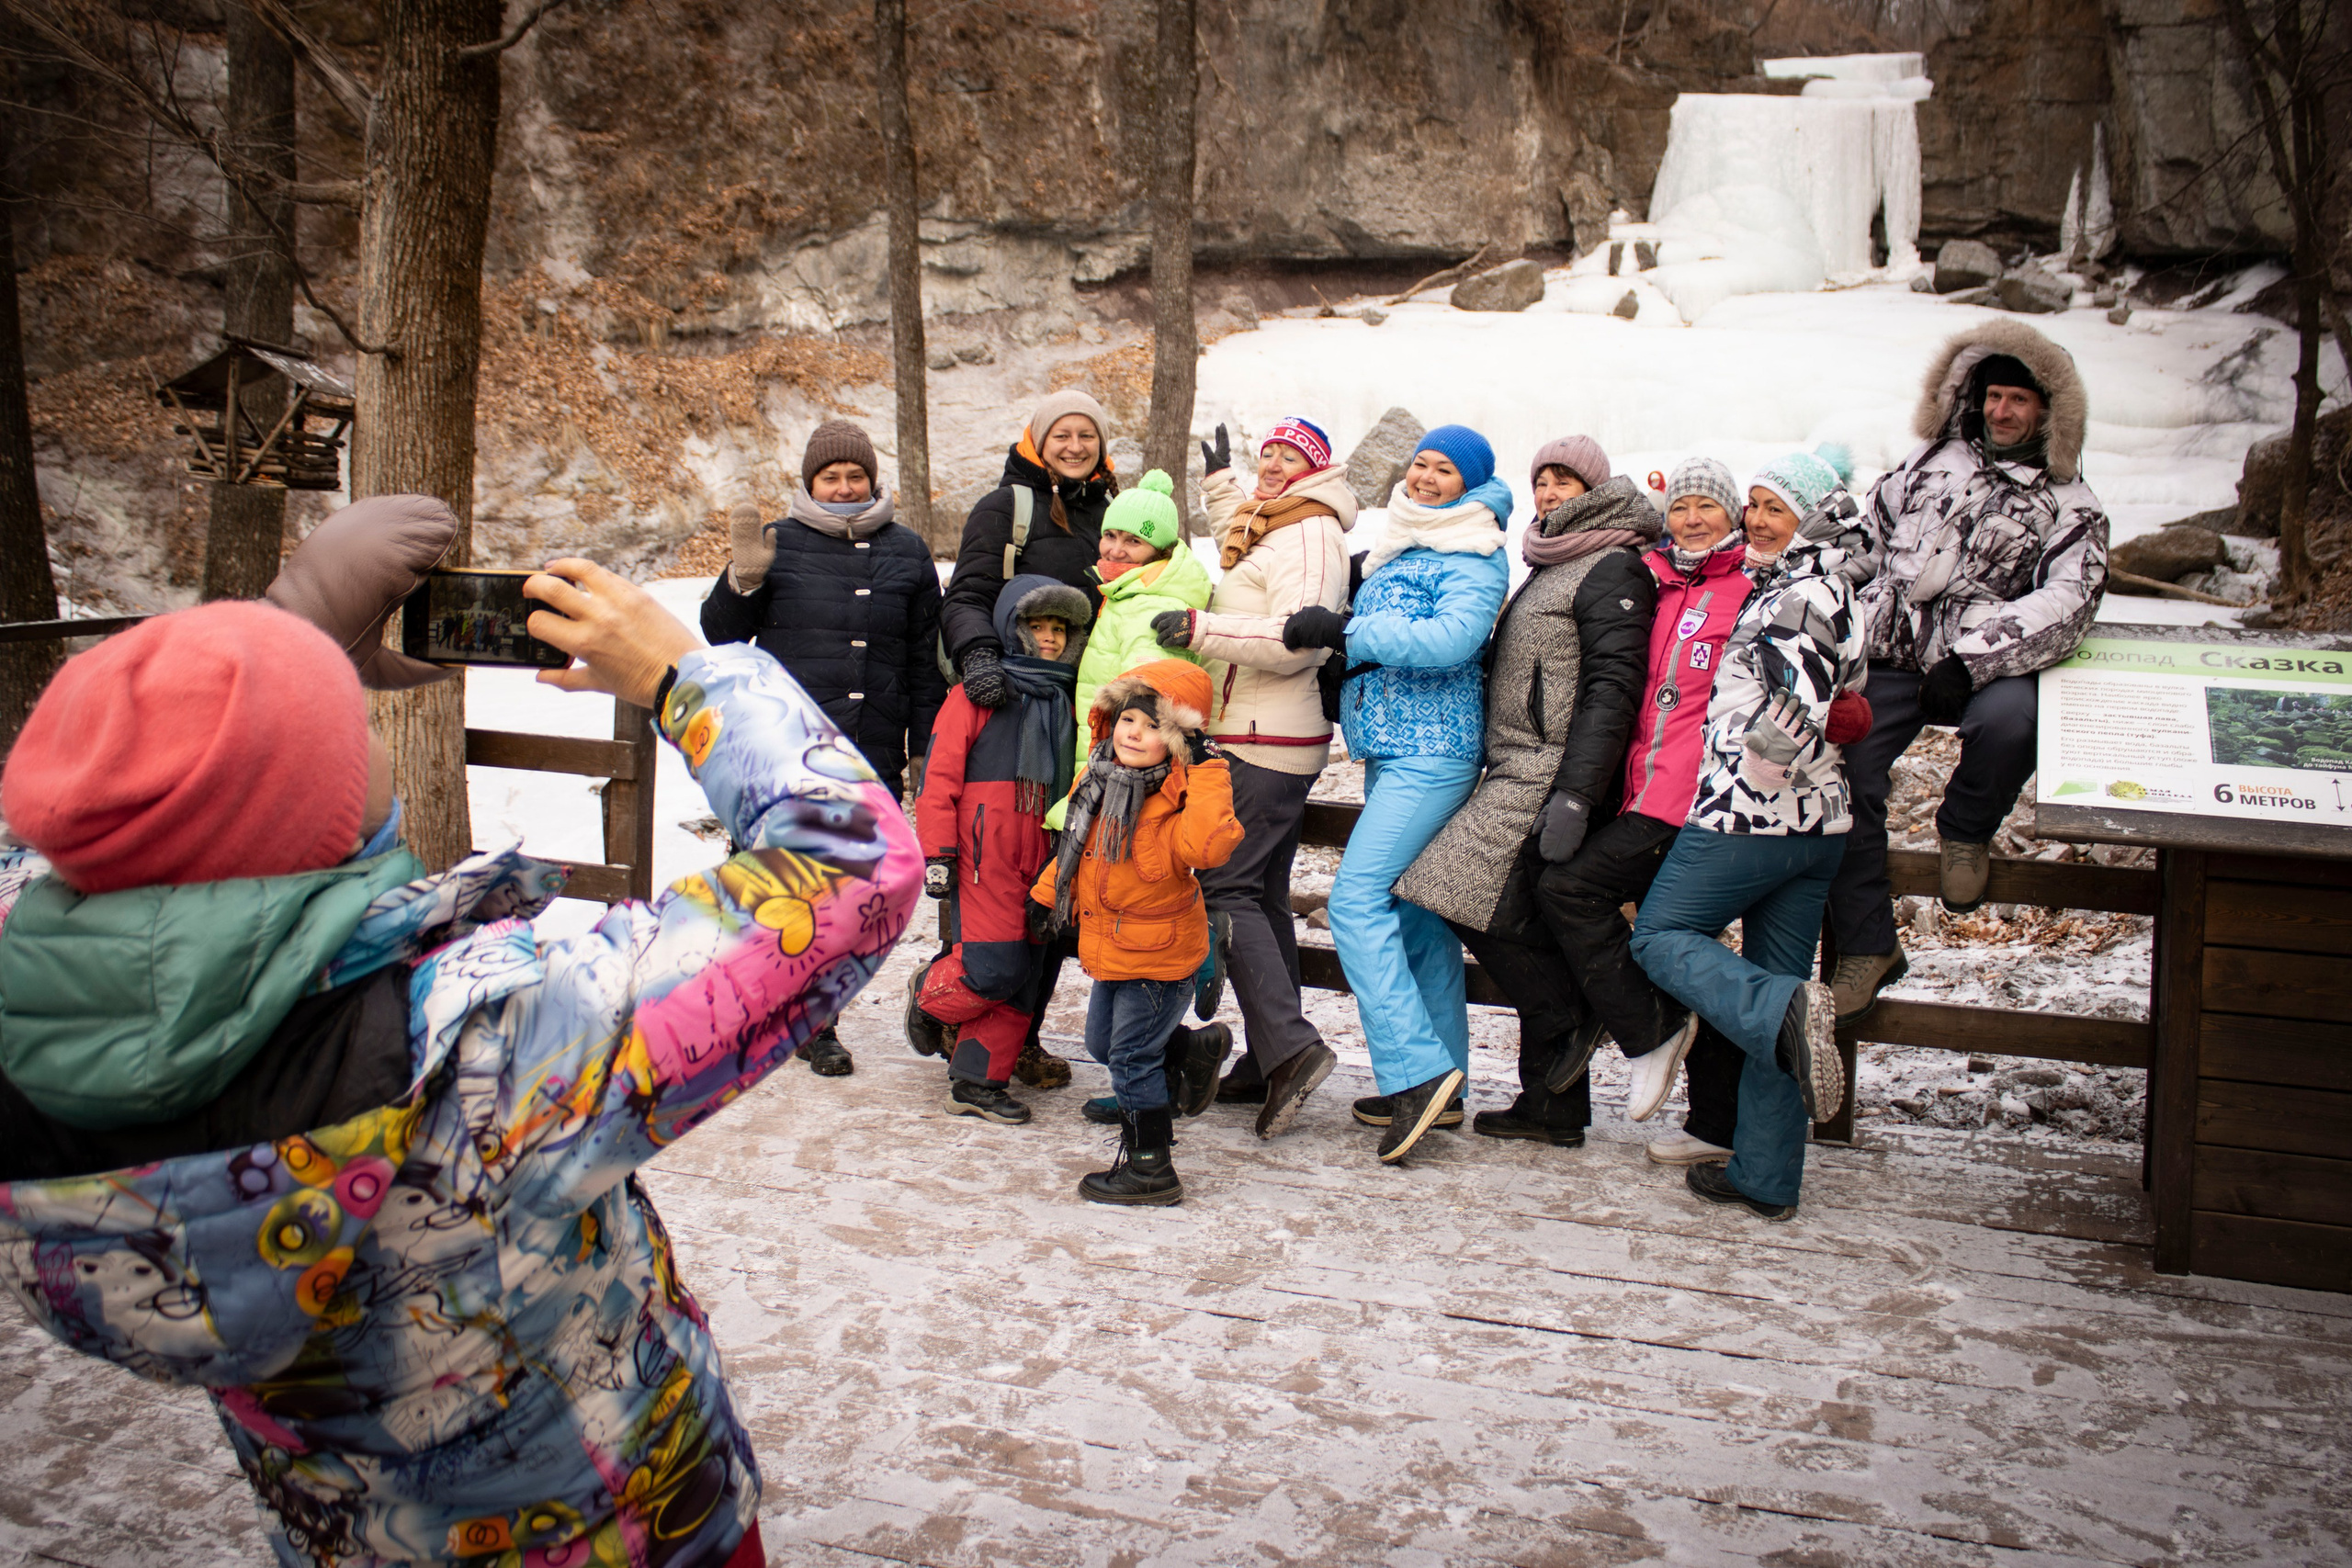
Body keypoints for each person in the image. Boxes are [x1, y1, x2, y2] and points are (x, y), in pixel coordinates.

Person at [0, 564, 922, 1568]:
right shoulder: (483, 1053)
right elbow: (850, 870)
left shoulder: (28, 1020)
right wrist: (679, 672)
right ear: (321, 815)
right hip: (624, 1532)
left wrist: (263, 660)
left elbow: (76, 840)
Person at [1826, 321, 2108, 1022]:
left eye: (2019, 399)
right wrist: (1821, 588)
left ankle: (1966, 827)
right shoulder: (1927, 464)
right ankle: (1868, 942)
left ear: (2049, 411)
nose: (2002, 411)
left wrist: (1975, 655)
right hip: (1894, 651)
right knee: (1841, 768)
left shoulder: (2069, 502)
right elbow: (1870, 540)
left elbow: (2070, 598)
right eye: (1994, 396)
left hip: (1987, 662)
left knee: (2012, 722)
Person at [1630, 451, 1874, 1222]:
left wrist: (1756, 770)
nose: (1759, 520)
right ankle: (1766, 1174)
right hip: (1820, 828)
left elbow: (1798, 708)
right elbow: (1851, 698)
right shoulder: (1836, 586)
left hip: (1751, 817)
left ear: (1814, 515)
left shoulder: (1796, 595)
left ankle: (1783, 1014)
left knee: (1661, 935)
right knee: (1784, 979)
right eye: (1757, 505)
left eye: (1778, 508)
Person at [1393, 436, 1656, 1148]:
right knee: (1512, 911)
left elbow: (1612, 691)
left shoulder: (1612, 564)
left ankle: (1577, 1015)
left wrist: (1576, 792)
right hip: (1514, 764)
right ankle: (1553, 1101)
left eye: (1563, 482)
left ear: (1593, 489)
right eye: (1540, 481)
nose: (1546, 494)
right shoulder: (1554, 559)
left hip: (1549, 770)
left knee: (1447, 886)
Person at [1281, 424, 1510, 1163]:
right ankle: (1444, 1084)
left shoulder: (1475, 551)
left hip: (1433, 749)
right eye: (1420, 464)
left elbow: (1451, 642)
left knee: (1353, 902)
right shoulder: (1402, 541)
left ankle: (1416, 1074)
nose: (1426, 477)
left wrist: (1353, 631)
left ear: (1469, 484)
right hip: (1392, 747)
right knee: (1413, 916)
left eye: (1445, 469)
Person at [700, 417, 945, 1077]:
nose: (844, 487)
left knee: (840, 896)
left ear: (872, 479)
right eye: (830, 477)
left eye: (854, 476)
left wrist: (926, 747)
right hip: (782, 748)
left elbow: (927, 661)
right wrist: (742, 582)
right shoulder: (777, 542)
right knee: (770, 883)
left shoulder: (908, 551)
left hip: (868, 752)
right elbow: (720, 634)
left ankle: (816, 1022)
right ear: (811, 482)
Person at [1151, 416, 1355, 1137]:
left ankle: (1293, 1050)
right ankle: (1272, 1055)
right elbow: (1241, 547)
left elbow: (1296, 640)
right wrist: (1220, 482)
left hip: (1266, 744)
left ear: (1316, 470)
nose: (1272, 463)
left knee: (1225, 887)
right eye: (1267, 452)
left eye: (1288, 456)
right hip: (1254, 734)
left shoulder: (1311, 535)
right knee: (1262, 899)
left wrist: (1201, 631)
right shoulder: (1271, 522)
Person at [933, 389, 1120, 1090]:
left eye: (1087, 435)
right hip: (1006, 701)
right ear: (1038, 439)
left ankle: (1023, 1034)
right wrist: (980, 656)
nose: (1075, 445)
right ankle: (953, 1009)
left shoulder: (1110, 510)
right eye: (1062, 434)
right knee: (991, 873)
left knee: (1052, 881)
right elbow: (967, 594)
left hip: (1079, 709)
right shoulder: (1004, 507)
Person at [1032, 660, 1243, 1206]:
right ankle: (1190, 1052)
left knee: (1129, 1058)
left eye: (1153, 727)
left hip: (1163, 954)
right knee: (1103, 1043)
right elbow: (1078, 851)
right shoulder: (1097, 779)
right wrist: (1043, 897)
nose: (1134, 733)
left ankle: (1151, 1168)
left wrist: (1207, 771)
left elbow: (1209, 846)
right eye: (1128, 718)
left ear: (1176, 742)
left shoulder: (1178, 800)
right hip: (1114, 945)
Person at [914, 575, 1092, 1125]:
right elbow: (938, 777)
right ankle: (927, 996)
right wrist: (939, 853)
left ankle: (976, 1081)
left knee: (1028, 971)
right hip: (982, 857)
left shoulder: (1067, 699)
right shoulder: (977, 694)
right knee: (992, 968)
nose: (1048, 639)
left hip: (1045, 857)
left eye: (1058, 628)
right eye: (1036, 626)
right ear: (1012, 629)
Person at [1053, 468, 1214, 823]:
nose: (1115, 550)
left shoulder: (1149, 606)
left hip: (1119, 779)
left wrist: (1109, 784)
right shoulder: (1127, 594)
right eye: (1109, 535)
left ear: (1159, 552)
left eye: (1133, 541)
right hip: (1105, 765)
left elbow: (1147, 710)